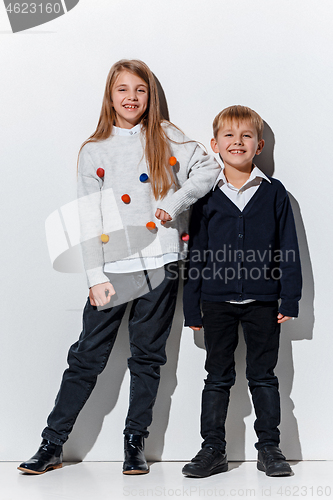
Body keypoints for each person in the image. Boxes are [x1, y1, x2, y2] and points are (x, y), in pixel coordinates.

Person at [18, 59, 220, 476]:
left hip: (161, 263)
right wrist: (94, 276)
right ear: (110, 97)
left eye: (140, 90)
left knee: (147, 358)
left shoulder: (165, 135)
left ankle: (134, 444)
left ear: (150, 97)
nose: (131, 97)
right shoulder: (94, 149)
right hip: (114, 268)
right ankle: (52, 443)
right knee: (86, 357)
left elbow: (210, 168)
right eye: (123, 89)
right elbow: (89, 220)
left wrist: (175, 202)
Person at [182, 105, 302, 478]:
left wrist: (290, 296)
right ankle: (212, 450)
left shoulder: (275, 193)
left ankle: (270, 448)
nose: (238, 142)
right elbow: (196, 252)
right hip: (215, 302)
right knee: (217, 377)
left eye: (246, 136)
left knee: (264, 376)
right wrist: (192, 307)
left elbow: (288, 246)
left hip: (264, 302)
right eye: (229, 136)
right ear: (215, 144)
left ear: (259, 144)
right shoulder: (205, 196)